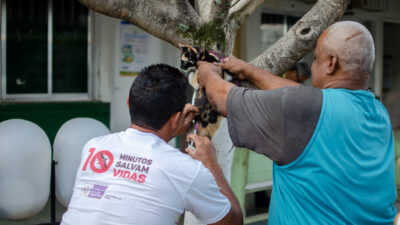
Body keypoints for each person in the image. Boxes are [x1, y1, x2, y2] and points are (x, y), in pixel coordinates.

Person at [196, 21, 397, 224]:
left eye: (316, 59)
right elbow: (301, 96)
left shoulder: (304, 108)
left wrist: (207, 72)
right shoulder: (379, 113)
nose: (312, 65)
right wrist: (249, 70)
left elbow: (221, 97)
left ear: (331, 63)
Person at [61, 64, 243, 225]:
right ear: (177, 118)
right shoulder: (187, 169)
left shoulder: (93, 147)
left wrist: (171, 129)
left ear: (128, 103)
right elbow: (232, 222)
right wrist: (212, 166)